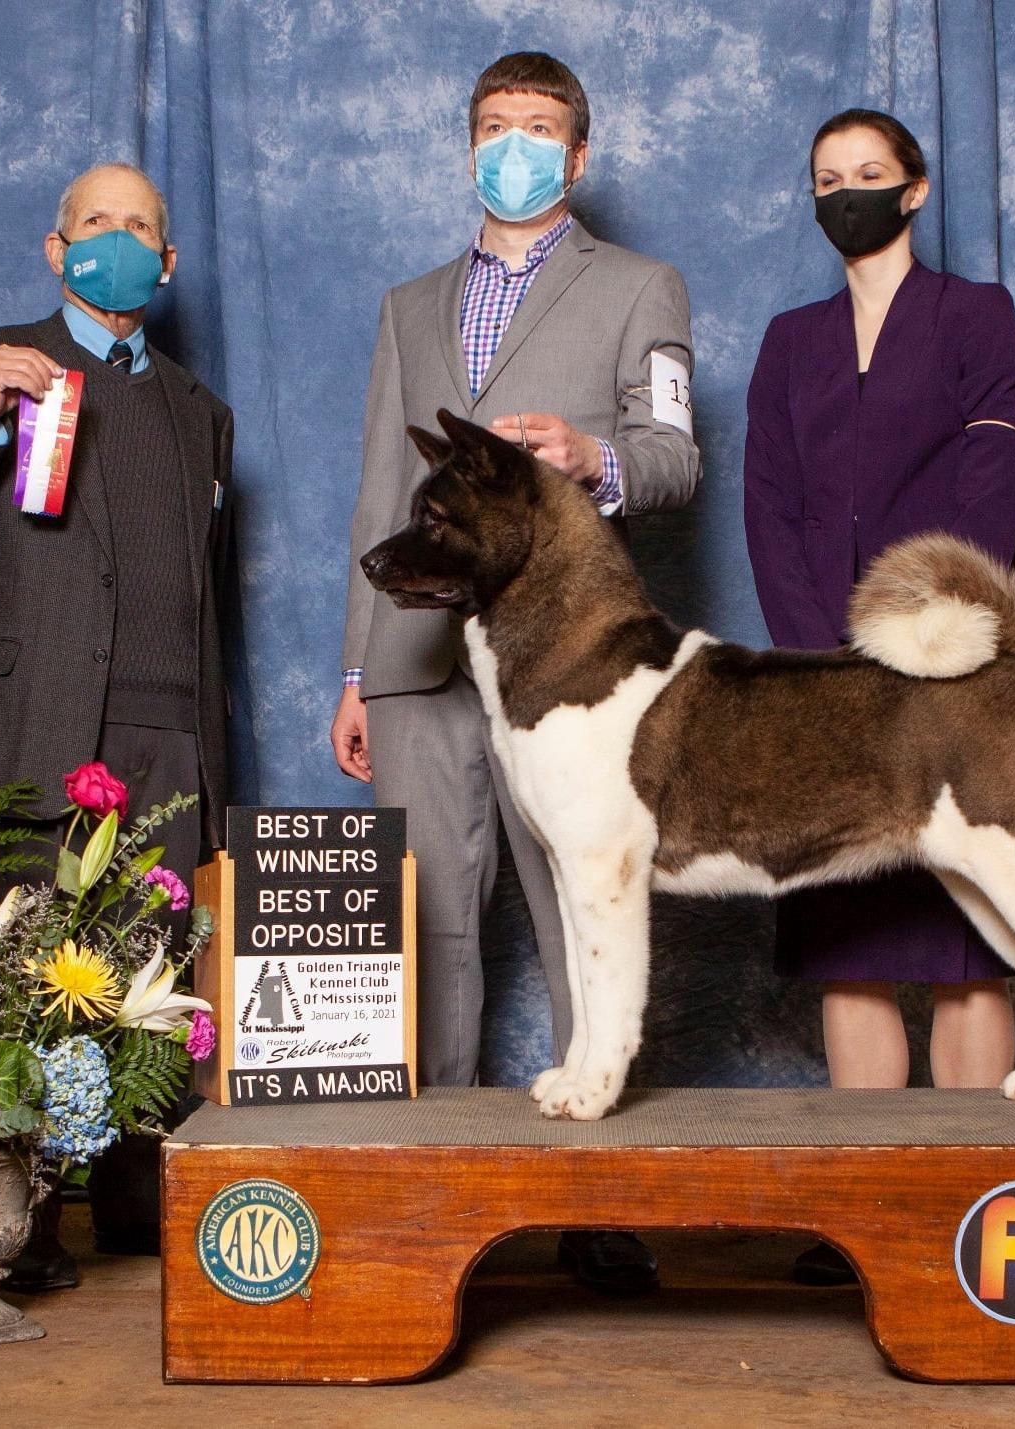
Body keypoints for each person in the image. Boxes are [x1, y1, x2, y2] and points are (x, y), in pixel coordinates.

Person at [332, 52, 700, 1293]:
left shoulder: (640, 286)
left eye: (539, 128)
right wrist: (355, 669)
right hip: (419, 656)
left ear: (578, 155)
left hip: (561, 654)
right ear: (468, 144)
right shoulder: (409, 303)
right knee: (433, 923)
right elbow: (383, 492)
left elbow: (674, 459)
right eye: (495, 125)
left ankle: (597, 1199)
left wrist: (592, 455)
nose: (515, 146)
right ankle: (442, 1196)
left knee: (580, 907)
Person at [0, 161, 236, 1288]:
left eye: (138, 227)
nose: (115, 239)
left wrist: (213, 762)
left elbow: (208, 600)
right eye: (96, 222)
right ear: (57, 247)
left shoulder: (199, 412)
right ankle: (13, 1218)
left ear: (165, 263)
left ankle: (136, 1206)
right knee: (18, 978)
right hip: (25, 716)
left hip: (163, 733)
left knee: (147, 981)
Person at [743, 109, 1015, 1284]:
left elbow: (994, 468)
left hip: (953, 666)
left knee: (967, 938)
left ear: (913, 191)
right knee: (852, 940)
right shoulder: (789, 340)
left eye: (868, 174)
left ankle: (971, 1202)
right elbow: (768, 505)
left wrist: (931, 627)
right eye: (828, 179)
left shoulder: (974, 316)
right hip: (827, 682)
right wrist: (819, 655)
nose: (847, 192)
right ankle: (866, 1211)